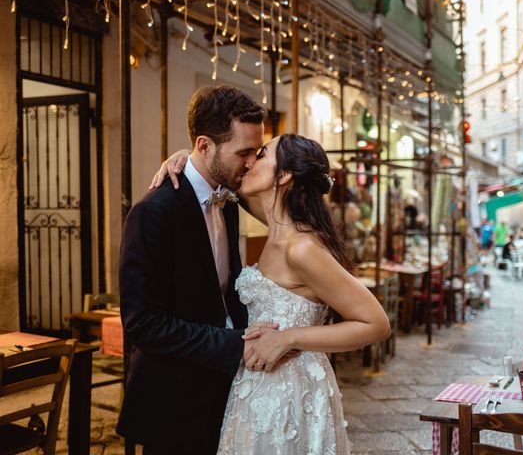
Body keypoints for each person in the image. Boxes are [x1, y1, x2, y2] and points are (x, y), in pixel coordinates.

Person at [151, 133, 390, 454]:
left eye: (261, 155)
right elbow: (215, 177)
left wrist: (287, 338)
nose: (250, 162)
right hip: (257, 382)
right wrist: (187, 156)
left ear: (285, 175)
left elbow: (376, 323)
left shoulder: (302, 247)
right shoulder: (278, 225)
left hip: (291, 388)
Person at [117, 86, 280, 454]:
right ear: (204, 146)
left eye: (256, 152)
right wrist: (234, 344)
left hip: (225, 388)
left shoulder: (229, 199)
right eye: (244, 152)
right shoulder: (153, 213)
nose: (252, 162)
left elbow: (222, 291)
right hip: (174, 400)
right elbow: (143, 324)